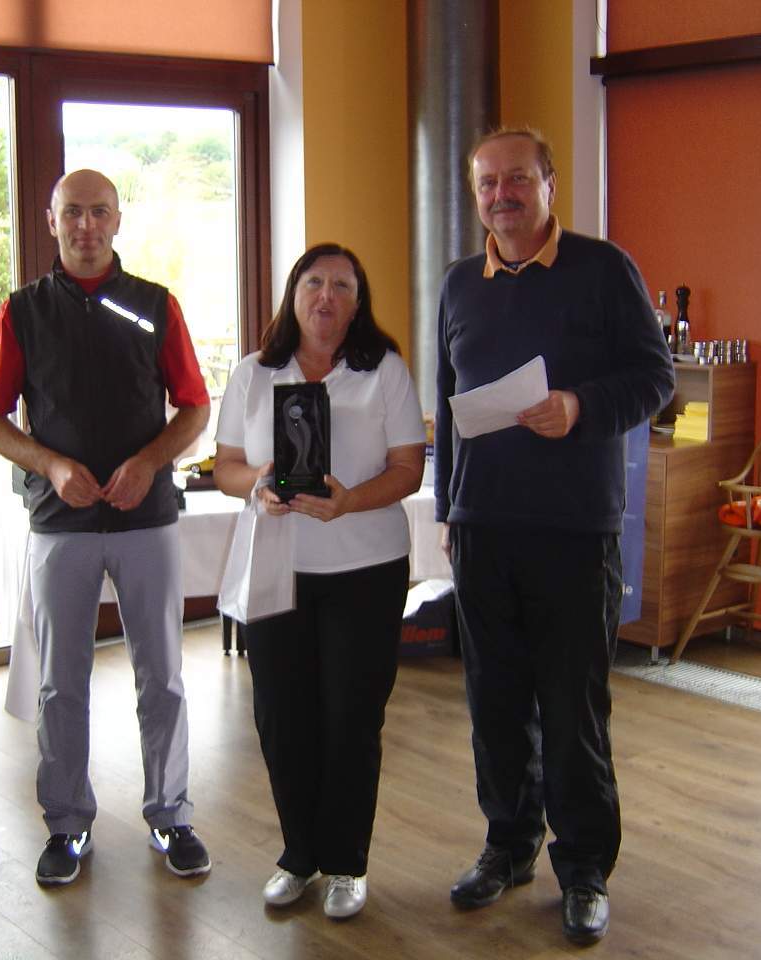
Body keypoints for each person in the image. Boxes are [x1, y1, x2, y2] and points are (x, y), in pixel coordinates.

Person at [434, 129, 674, 946]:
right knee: (494, 705)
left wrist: (578, 406)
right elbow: (448, 403)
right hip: (482, 528)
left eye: (516, 179)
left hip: (574, 530)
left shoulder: (603, 270)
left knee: (574, 711)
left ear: (549, 184)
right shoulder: (458, 284)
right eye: (487, 183)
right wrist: (449, 510)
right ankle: (507, 847)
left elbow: (654, 377)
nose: (501, 195)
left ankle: (584, 870)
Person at [0, 169, 212, 887]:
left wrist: (149, 461)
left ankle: (171, 815)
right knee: (60, 683)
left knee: (162, 676)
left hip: (147, 517)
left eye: (99, 212)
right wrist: (48, 464)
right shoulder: (22, 312)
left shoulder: (155, 305)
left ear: (117, 220)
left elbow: (195, 408)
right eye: (72, 213)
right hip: (60, 524)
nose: (86, 226)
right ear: (51, 221)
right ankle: (67, 824)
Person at [213, 243, 426, 920]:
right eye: (314, 282)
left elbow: (409, 467)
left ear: (358, 303)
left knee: (352, 717)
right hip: (276, 565)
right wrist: (257, 485)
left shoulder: (383, 369)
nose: (326, 296)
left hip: (366, 569)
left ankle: (346, 863)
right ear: (294, 293)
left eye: (342, 286)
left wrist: (349, 500)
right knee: (281, 716)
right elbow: (225, 466)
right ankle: (298, 853)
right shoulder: (253, 373)